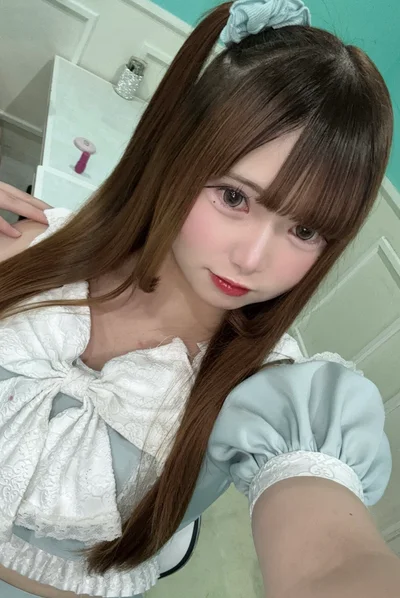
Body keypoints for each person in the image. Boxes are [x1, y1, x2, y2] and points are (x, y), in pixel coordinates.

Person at [0, 1, 399, 597]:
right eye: (235, 198)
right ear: (180, 154)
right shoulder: (35, 248)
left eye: (305, 230)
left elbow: (331, 563)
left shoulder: (269, 395)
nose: (252, 259)